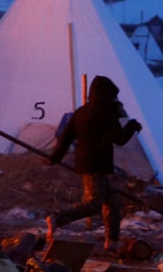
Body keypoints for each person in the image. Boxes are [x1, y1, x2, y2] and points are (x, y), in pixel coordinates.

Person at [46, 75, 142, 249]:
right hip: (97, 164)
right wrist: (132, 126)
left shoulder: (81, 112)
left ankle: (112, 240)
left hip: (85, 162)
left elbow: (65, 138)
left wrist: (55, 158)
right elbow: (119, 139)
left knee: (111, 200)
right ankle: (57, 218)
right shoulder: (106, 114)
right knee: (94, 203)